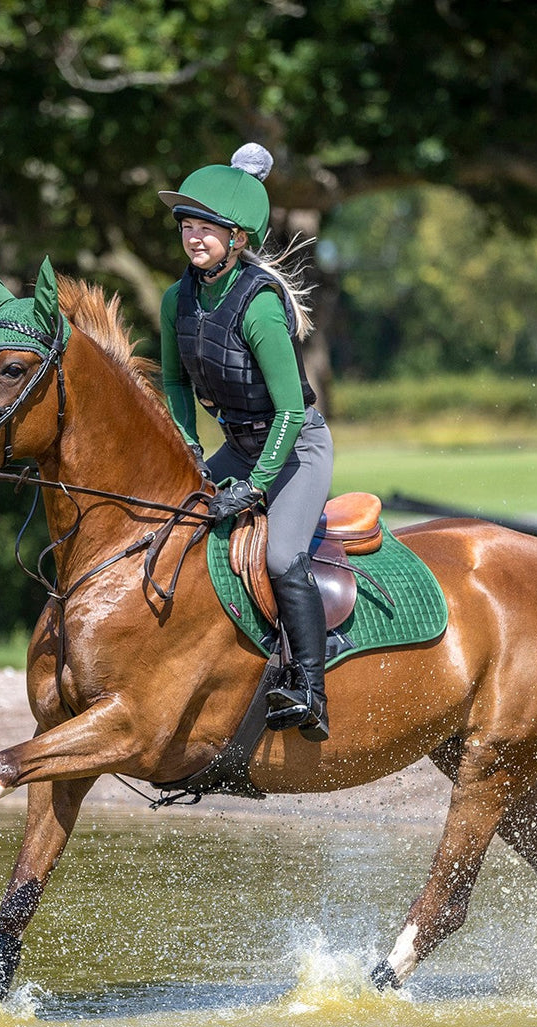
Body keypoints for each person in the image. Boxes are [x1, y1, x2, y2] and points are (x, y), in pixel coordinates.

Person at [158, 143, 332, 742]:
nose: (194, 236)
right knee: (175, 526)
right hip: (237, 446)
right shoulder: (176, 300)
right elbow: (176, 386)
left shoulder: (258, 305)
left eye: (208, 227)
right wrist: (188, 452)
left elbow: (290, 411)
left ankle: (310, 691)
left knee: (282, 556)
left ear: (237, 238)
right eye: (188, 225)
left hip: (296, 449)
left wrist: (255, 487)